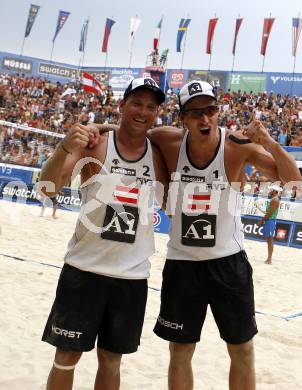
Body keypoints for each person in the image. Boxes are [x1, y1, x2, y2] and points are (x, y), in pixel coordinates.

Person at [147, 80, 302, 390]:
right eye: (195, 114)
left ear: (219, 111)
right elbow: (127, 130)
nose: (205, 119)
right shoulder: (166, 140)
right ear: (182, 118)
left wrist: (270, 143)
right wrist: (91, 126)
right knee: (179, 351)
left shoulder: (237, 145)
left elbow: (294, 183)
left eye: (211, 110)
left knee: (242, 350)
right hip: (183, 263)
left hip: (228, 263)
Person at [40, 77, 167, 390]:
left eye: (151, 106)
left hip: (131, 277)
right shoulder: (94, 143)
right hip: (84, 270)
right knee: (65, 358)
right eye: (136, 102)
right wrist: (63, 147)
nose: (143, 111)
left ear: (157, 113)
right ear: (122, 105)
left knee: (111, 363)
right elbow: (48, 189)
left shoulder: (161, 153)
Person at [257, 185, 281, 264]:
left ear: (274, 191)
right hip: (269, 220)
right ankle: (269, 259)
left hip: (270, 221)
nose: (269, 191)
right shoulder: (274, 199)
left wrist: (262, 220)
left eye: (271, 190)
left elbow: (270, 214)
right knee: (269, 240)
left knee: (270, 240)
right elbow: (269, 212)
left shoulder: (275, 200)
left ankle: (269, 259)